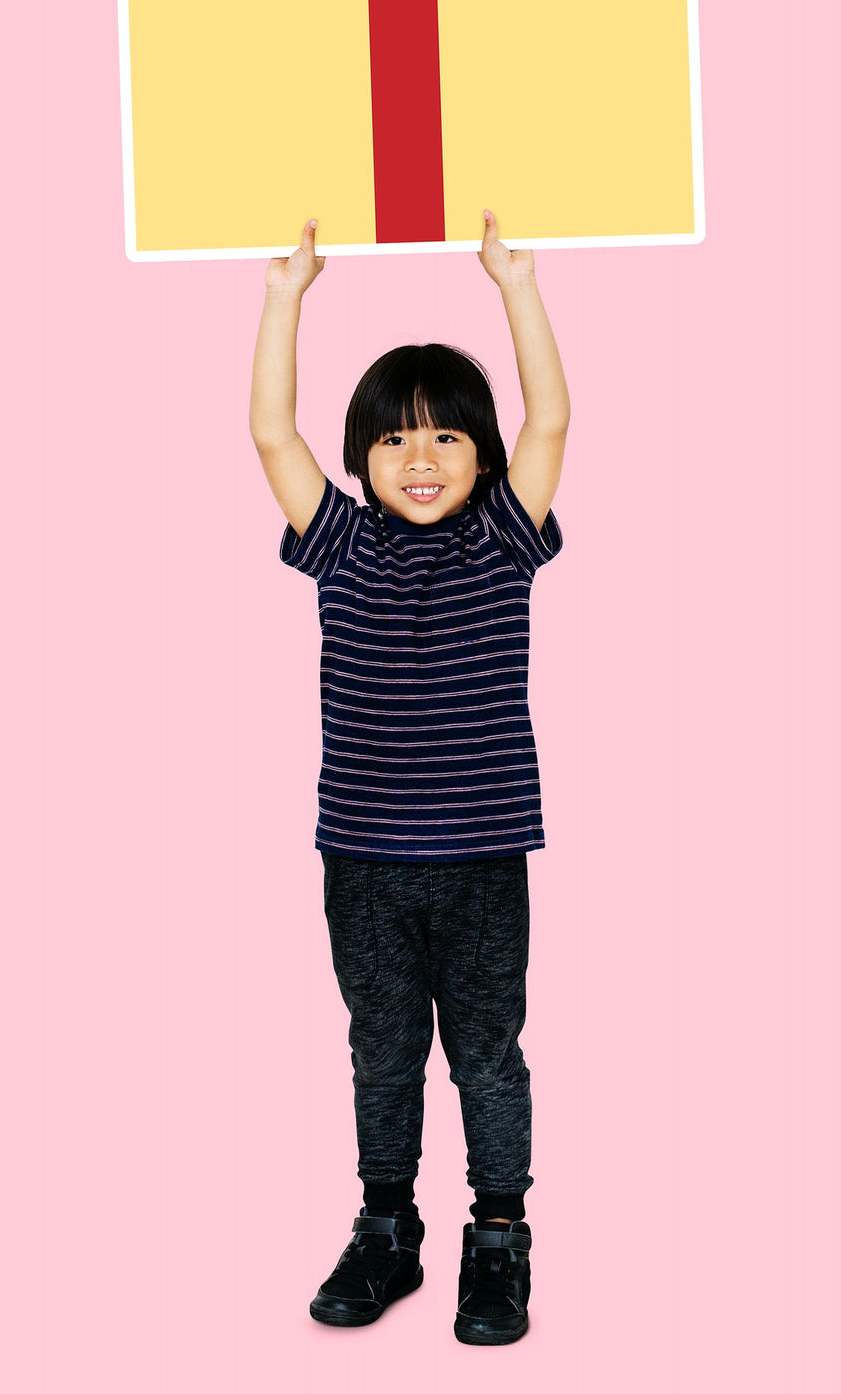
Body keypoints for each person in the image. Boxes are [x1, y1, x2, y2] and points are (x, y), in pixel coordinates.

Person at [249, 211, 570, 1345]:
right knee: (381, 1046)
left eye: (444, 440)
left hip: (481, 863)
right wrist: (289, 292)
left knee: (485, 1048)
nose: (420, 460)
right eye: (394, 440)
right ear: (364, 457)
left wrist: (516, 286)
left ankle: (500, 1237)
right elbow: (272, 434)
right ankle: (388, 1228)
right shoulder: (339, 544)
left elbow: (554, 418)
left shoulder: (503, 540)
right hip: (365, 864)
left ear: (480, 456)